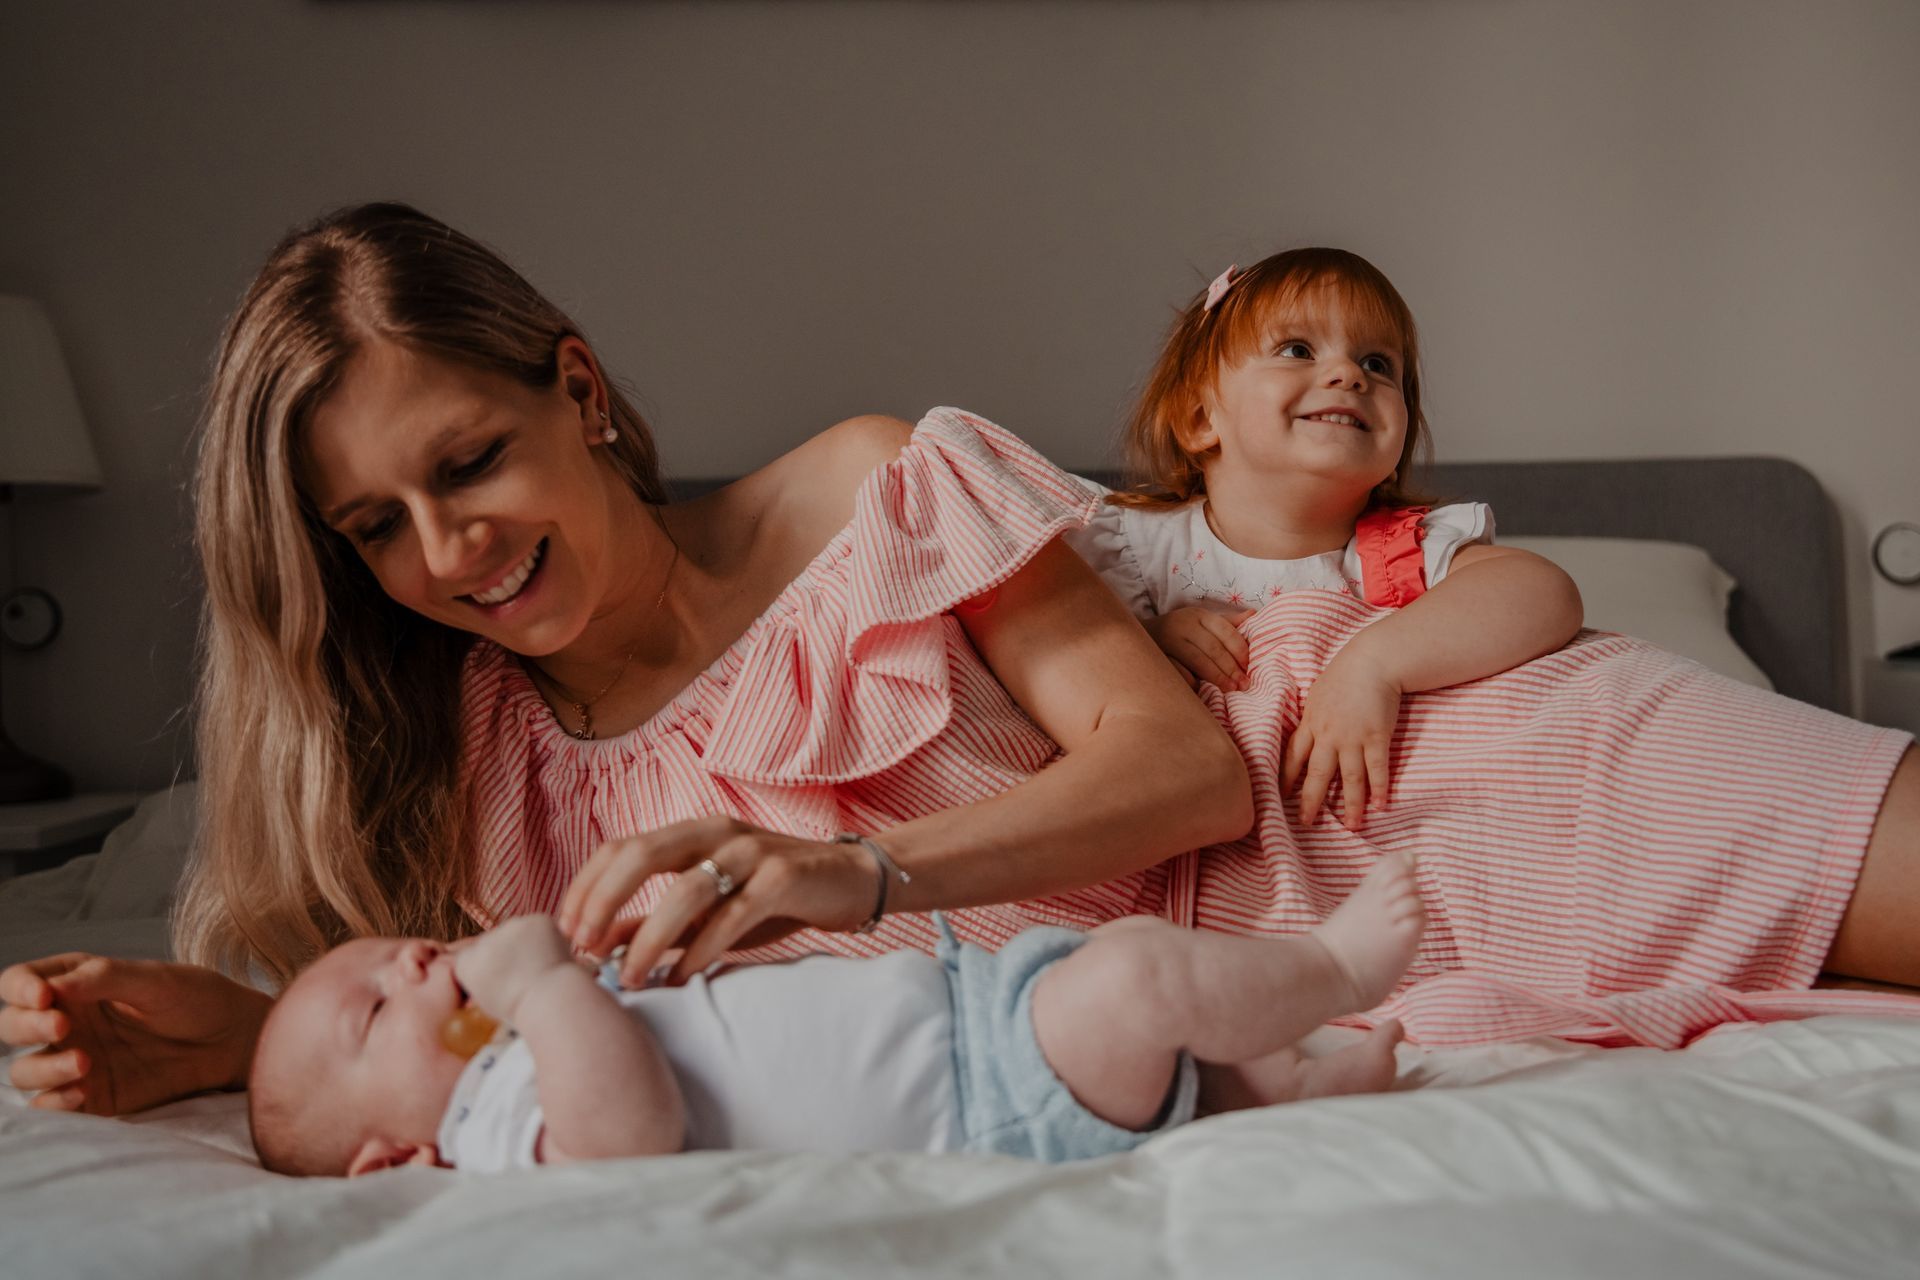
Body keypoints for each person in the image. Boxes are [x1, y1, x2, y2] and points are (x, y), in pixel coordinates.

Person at [5, 206, 1918, 1118]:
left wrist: (866, 869)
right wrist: (251, 1031)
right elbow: (470, 1039)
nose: (450, 555)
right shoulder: (479, 777)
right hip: (1255, 1017)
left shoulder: (868, 490)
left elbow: (1182, 775)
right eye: (371, 531)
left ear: (575, 392)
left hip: (1399, 783)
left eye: (469, 462)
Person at [248, 856, 1423, 1176]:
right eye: (373, 1004)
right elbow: (626, 1141)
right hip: (989, 1102)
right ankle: (1330, 965)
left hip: (975, 1015)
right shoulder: (501, 1129)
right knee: (1140, 982)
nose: (409, 960)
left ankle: (1278, 1089)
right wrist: (550, 985)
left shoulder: (521, 1051)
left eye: (388, 953)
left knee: (1124, 956)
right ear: (392, 1156)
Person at [1063, 248, 1583, 830]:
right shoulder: (1136, 551)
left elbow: (1543, 591)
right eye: (1298, 350)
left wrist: (1375, 664)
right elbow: (1065, 663)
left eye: (1380, 364)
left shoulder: (1395, 552)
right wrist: (1152, 642)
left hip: (1348, 830)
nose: (1349, 374)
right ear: (1202, 419)